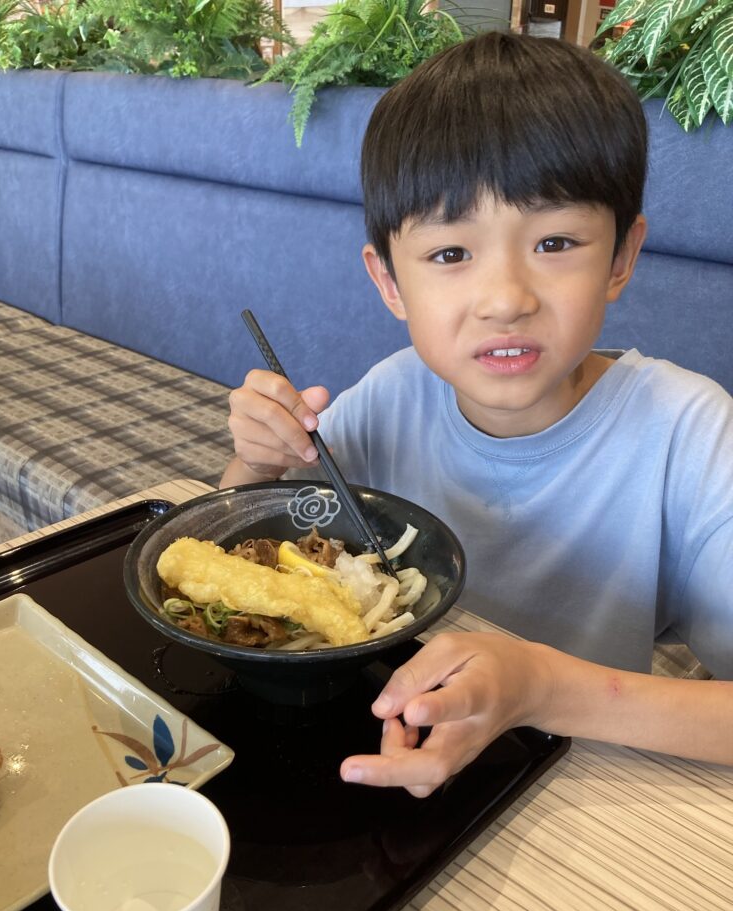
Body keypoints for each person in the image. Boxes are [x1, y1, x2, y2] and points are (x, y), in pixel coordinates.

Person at [220, 31, 733, 795]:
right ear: (389, 282)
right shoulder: (391, 396)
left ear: (622, 258)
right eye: (451, 254)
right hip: (389, 752)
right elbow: (244, 551)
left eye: (555, 242)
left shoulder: (689, 433)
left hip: (586, 791)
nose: (505, 300)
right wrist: (257, 463)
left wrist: (540, 686)